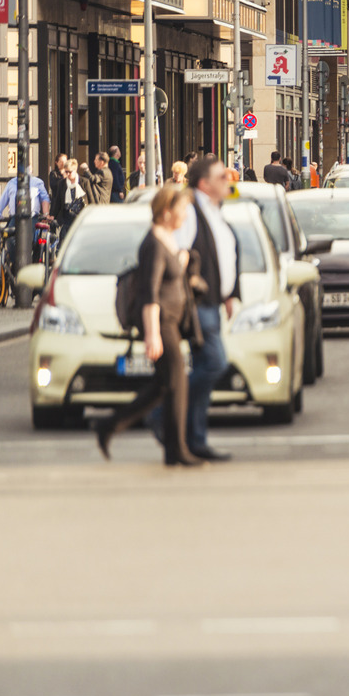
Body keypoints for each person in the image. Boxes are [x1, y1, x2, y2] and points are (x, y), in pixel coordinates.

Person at [93, 186, 201, 467]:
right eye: (182, 210)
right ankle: (177, 450)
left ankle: (111, 426)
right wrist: (152, 334)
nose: (186, 215)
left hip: (172, 322)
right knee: (176, 383)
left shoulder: (167, 239)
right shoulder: (153, 243)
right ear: (166, 213)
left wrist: (182, 260)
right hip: (161, 323)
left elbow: (169, 276)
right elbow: (149, 292)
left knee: (165, 385)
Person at [172, 157, 239, 463]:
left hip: (214, 302)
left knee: (208, 365)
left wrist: (229, 294)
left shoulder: (213, 209)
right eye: (221, 175)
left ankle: (195, 438)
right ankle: (164, 413)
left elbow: (220, 254)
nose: (228, 179)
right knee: (215, 363)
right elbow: (179, 255)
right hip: (197, 304)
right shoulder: (190, 212)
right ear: (203, 183)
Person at [54, 159, 86, 241]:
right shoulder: (62, 183)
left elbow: (90, 198)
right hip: (66, 217)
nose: (68, 174)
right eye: (66, 172)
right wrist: (52, 215)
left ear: (75, 170)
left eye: (70, 172)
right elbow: (57, 201)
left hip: (80, 216)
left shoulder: (84, 182)